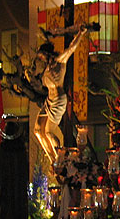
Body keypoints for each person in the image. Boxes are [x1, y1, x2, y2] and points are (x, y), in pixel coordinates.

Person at [33, 26, 88, 163]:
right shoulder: (47, 68)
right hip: (49, 100)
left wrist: (81, 33)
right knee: (38, 130)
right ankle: (51, 157)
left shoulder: (60, 61)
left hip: (58, 99)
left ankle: (60, 157)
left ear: (47, 54)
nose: (41, 58)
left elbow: (71, 49)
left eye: (42, 56)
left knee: (48, 132)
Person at [0, 120, 28, 219]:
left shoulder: (4, 149)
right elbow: (25, 169)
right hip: (18, 189)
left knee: (5, 214)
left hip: (6, 188)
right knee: (17, 213)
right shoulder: (21, 150)